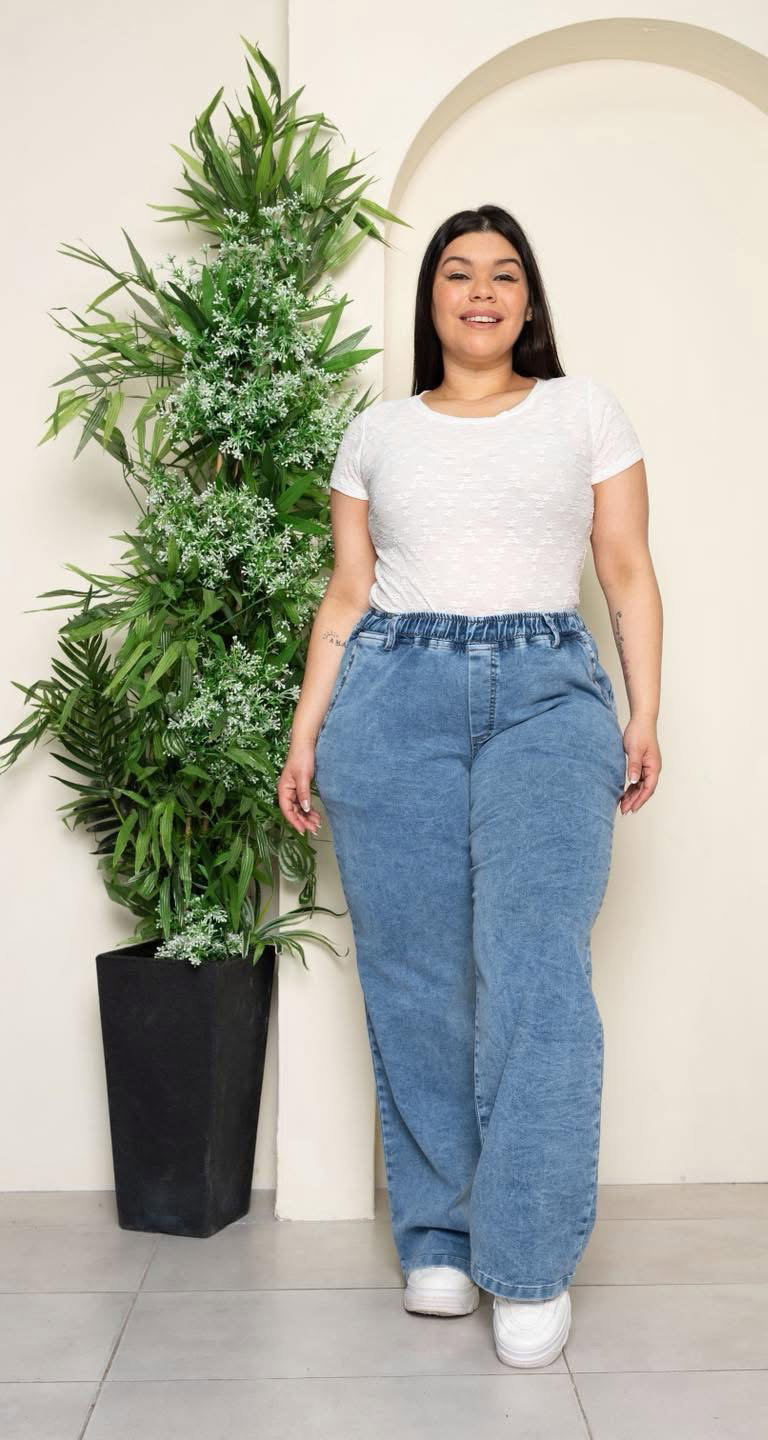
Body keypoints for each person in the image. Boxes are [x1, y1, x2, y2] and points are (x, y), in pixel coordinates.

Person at [277, 204, 663, 1369]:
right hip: (392, 697)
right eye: (458, 272)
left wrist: (645, 712)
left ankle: (529, 1261)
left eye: (504, 273)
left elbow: (626, 569)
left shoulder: (583, 413)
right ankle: (439, 1238)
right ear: (432, 298)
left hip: (549, 692)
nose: (481, 290)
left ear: (528, 300)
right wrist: (305, 732)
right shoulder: (377, 432)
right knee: (416, 981)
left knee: (536, 965)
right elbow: (347, 595)